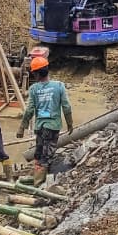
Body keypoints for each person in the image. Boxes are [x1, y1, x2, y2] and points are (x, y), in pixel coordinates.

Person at [17, 54, 73, 183]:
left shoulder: (33, 89)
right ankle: (39, 186)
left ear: (36, 74)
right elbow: (66, 107)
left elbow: (30, 110)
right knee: (46, 157)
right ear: (47, 69)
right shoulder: (59, 86)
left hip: (40, 128)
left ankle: (38, 182)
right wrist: (70, 123)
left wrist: (22, 127)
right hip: (52, 127)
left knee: (39, 154)